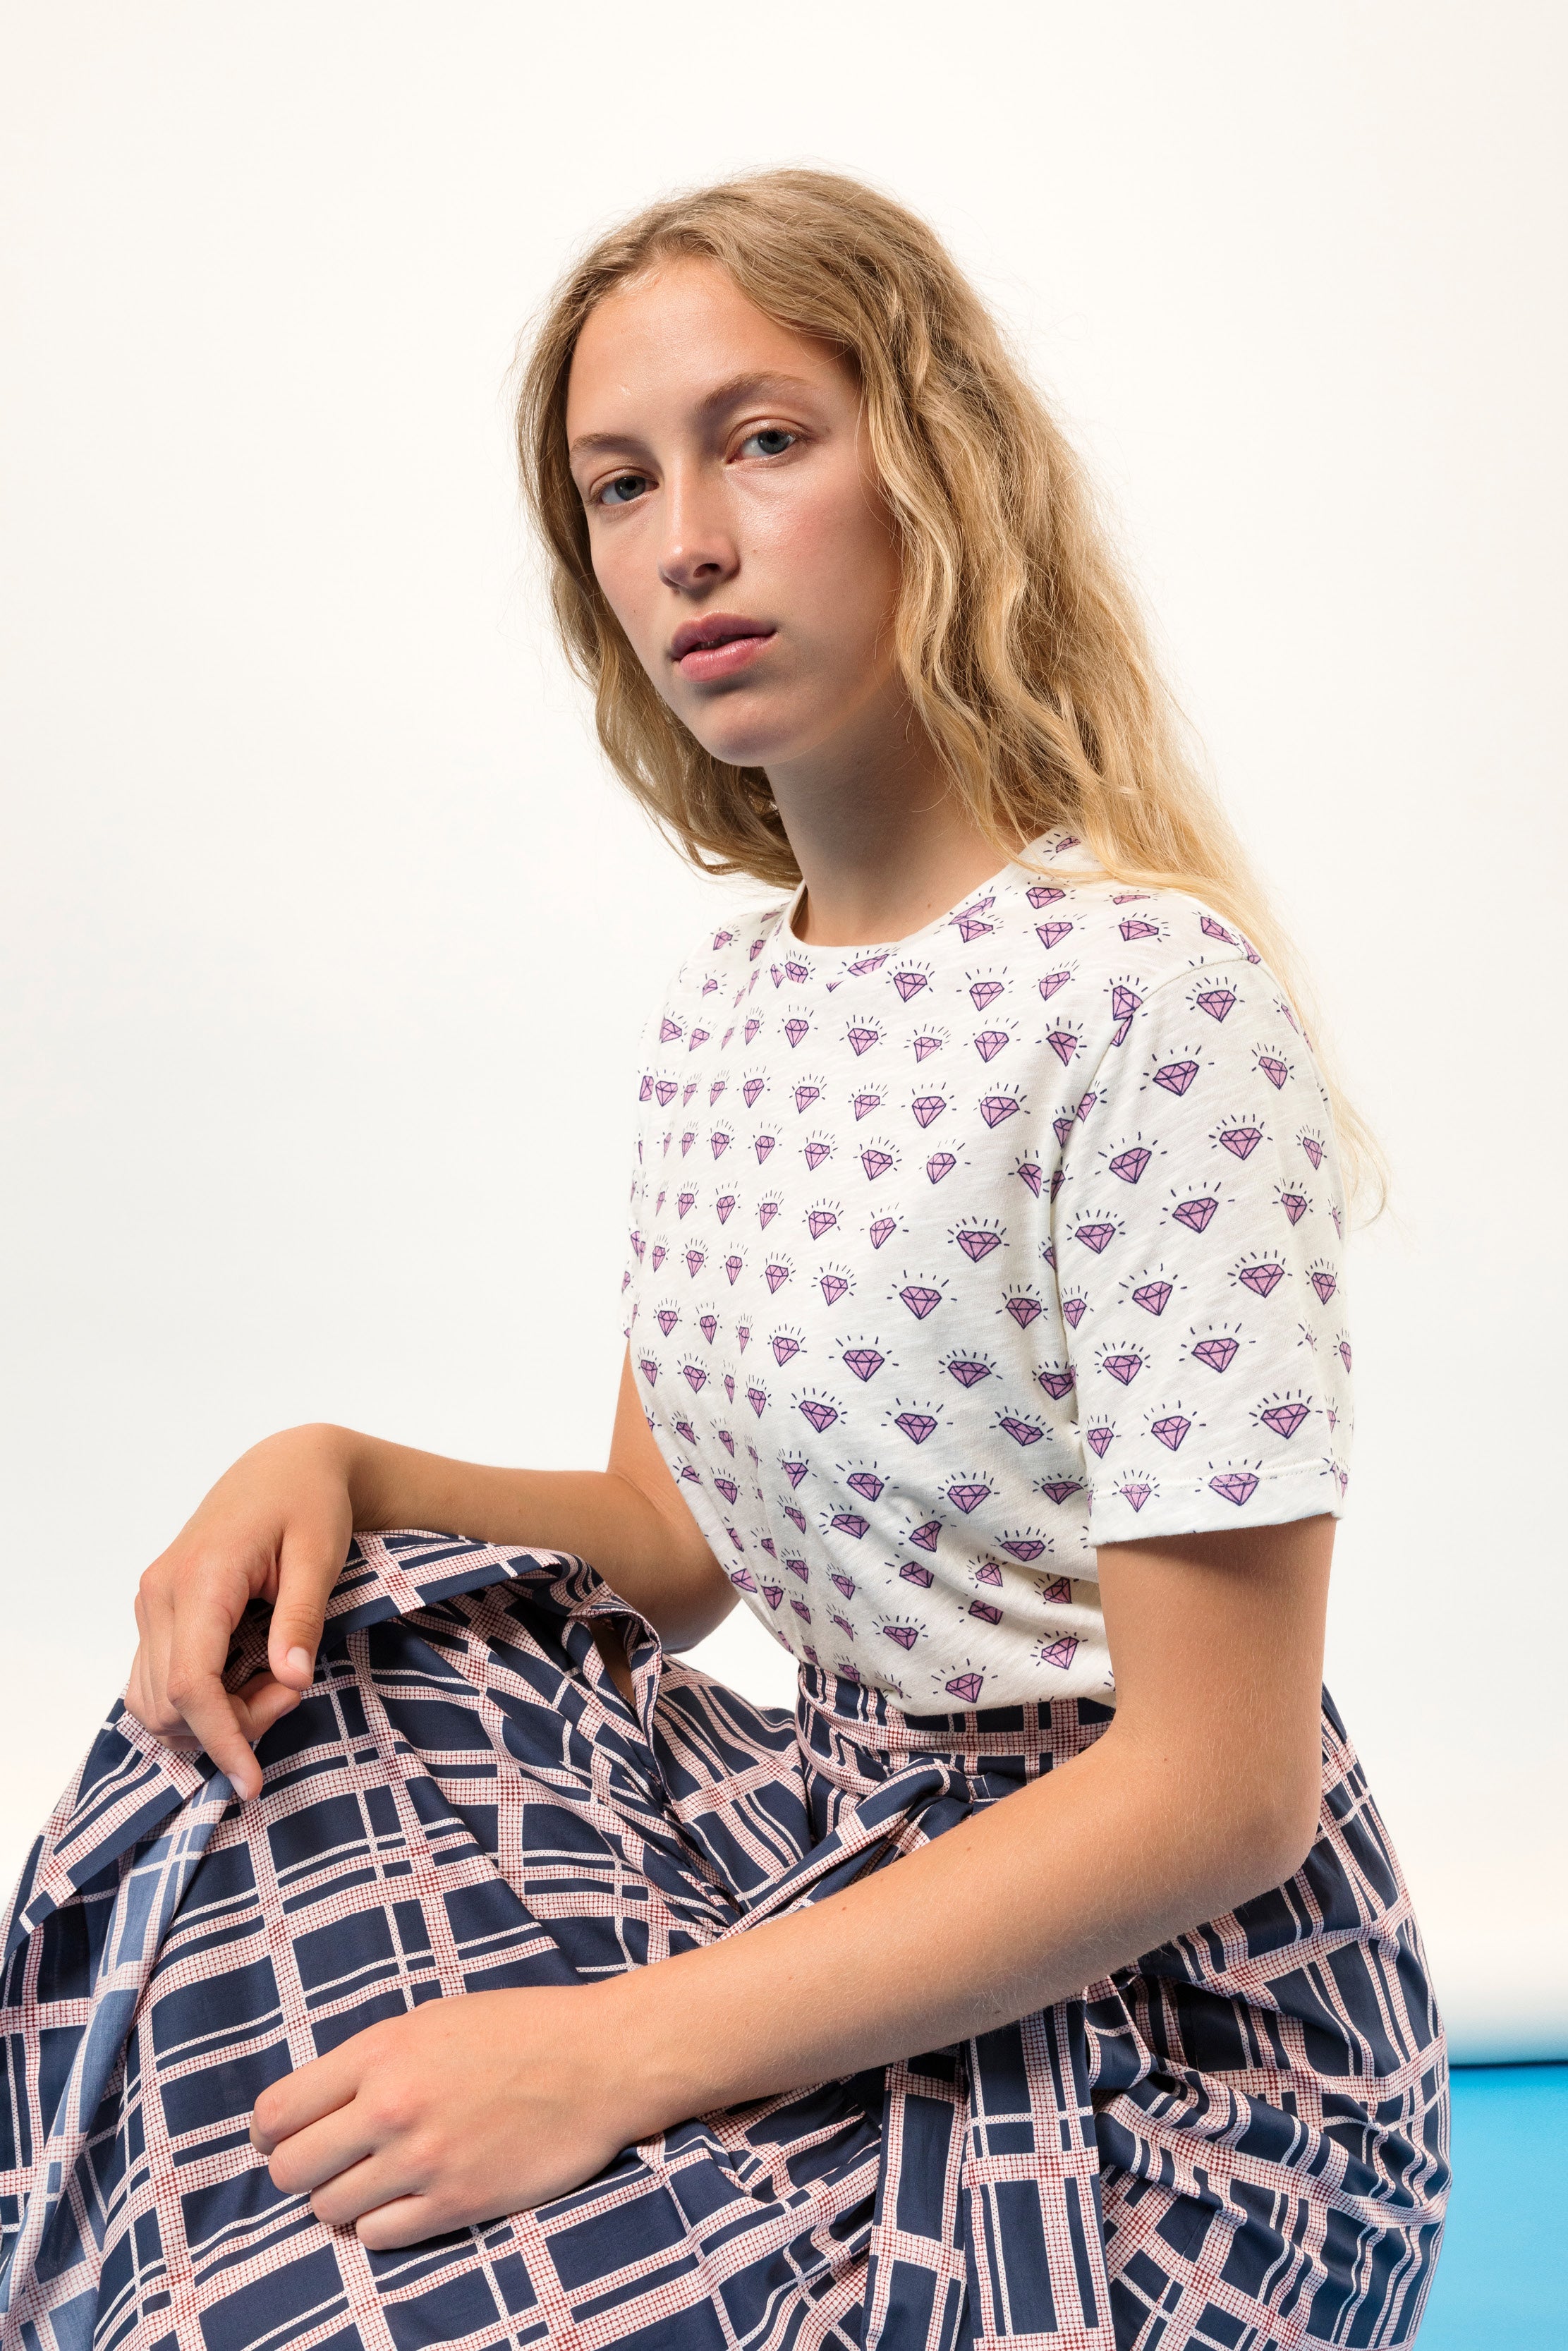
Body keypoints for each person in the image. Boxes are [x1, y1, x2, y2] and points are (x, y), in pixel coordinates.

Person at [1, 169, 1450, 2351]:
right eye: (618, 483)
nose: (685, 536)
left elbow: (1217, 1793)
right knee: (264, 1779)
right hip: (822, 1832)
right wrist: (341, 1465)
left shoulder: (1148, 1002)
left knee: (371, 2302)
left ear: (934, 468)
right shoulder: (733, 1002)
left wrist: (608, 2054)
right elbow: (667, 1546)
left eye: (764, 440)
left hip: (1171, 2031)